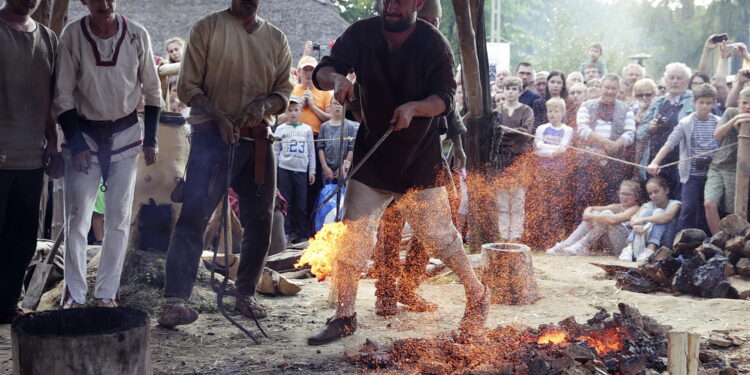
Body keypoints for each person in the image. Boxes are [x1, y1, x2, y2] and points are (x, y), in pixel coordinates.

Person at [308, 0, 489, 345]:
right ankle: (344, 315)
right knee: (353, 238)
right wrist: (336, 79)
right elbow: (324, 69)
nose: (390, 5)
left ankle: (478, 295)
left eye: (400, 0)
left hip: (418, 160)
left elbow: (445, 98)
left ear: (418, 2)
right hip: (372, 158)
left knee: (442, 238)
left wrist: (414, 108)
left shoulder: (433, 43)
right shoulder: (361, 33)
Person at [158, 0, 293, 327]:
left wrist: (262, 106)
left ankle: (244, 293)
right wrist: (218, 116)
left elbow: (283, 92)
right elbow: (189, 87)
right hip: (210, 139)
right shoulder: (207, 28)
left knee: (261, 218)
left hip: (257, 141)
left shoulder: (276, 39)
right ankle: (175, 300)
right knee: (193, 217)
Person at [54, 0, 161, 308]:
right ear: (84, 2)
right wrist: (76, 142)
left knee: (118, 216)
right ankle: (74, 295)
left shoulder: (136, 35)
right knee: (77, 218)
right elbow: (62, 94)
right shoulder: (73, 36)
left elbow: (152, 91)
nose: (104, 3)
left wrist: (151, 140)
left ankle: (106, 294)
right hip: (84, 134)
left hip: (125, 135)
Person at [0, 0, 58, 323]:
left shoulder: (48, 38)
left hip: (32, 157)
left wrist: (53, 141)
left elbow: (52, 97)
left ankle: (6, 305)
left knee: (22, 237)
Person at [646, 84, 719, 234]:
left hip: (712, 174)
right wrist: (655, 162)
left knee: (709, 207)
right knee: (688, 208)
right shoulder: (686, 122)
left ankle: (709, 243)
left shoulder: (719, 121)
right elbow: (670, 143)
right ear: (694, 103)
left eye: (708, 103)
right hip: (691, 174)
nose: (705, 106)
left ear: (714, 103)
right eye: (701, 102)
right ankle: (681, 244)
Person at [573, 74, 636, 218]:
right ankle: (579, 237)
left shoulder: (627, 109)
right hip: (588, 161)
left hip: (614, 164)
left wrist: (615, 146)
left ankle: (605, 238)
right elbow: (582, 129)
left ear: (619, 90)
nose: (609, 91)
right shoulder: (586, 105)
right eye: (607, 87)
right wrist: (605, 144)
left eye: (613, 88)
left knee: (610, 200)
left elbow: (630, 133)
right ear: (601, 88)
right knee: (584, 199)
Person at [637, 62, 695, 198]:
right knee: (656, 203)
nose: (674, 81)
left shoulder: (693, 100)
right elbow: (639, 133)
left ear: (687, 81)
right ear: (665, 80)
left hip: (681, 162)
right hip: (656, 162)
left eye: (679, 78)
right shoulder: (658, 102)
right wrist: (649, 127)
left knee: (679, 203)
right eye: (671, 77)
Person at [490, 77, 534, 242]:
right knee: (502, 202)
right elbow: (494, 133)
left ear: (519, 91)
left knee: (517, 201)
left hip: (519, 159)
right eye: (507, 88)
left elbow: (526, 132)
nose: (510, 91)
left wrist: (505, 132)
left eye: (514, 89)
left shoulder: (526, 111)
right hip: (501, 160)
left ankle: (515, 236)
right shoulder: (497, 111)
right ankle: (503, 235)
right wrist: (507, 133)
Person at [546, 180, 640, 257]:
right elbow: (591, 208)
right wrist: (588, 215)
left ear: (636, 196)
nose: (624, 197)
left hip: (624, 248)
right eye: (622, 194)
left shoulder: (636, 209)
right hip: (610, 245)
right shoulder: (618, 206)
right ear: (618, 193)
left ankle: (583, 245)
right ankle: (565, 245)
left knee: (605, 215)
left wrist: (592, 217)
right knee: (598, 214)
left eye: (628, 195)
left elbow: (613, 220)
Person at [527, 98, 574, 248]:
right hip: (542, 170)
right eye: (550, 111)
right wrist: (551, 151)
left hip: (558, 172)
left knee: (555, 204)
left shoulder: (567, 130)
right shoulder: (541, 128)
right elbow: (537, 148)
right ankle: (540, 238)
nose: (552, 114)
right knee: (541, 202)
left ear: (563, 112)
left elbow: (563, 149)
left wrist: (546, 149)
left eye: (556, 111)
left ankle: (553, 238)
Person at [704, 87, 750, 234]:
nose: (747, 107)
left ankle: (735, 243)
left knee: (733, 211)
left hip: (737, 171)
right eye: (744, 103)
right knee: (709, 204)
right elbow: (717, 134)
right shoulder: (731, 112)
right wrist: (735, 120)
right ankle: (718, 241)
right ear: (738, 103)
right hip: (717, 167)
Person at [274, 97, 315, 243]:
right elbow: (276, 151)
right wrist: (275, 171)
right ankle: (285, 233)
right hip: (284, 169)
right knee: (286, 203)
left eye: (296, 110)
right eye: (290, 110)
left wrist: (312, 171)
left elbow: (311, 151)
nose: (293, 113)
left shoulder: (307, 129)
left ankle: (301, 234)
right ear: (285, 112)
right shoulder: (280, 129)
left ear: (301, 111)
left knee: (301, 204)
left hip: (301, 170)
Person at [619, 177, 681, 261]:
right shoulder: (648, 205)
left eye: (656, 191)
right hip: (645, 244)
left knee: (658, 212)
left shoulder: (675, 204)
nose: (653, 196)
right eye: (650, 193)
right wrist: (636, 225)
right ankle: (629, 248)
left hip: (665, 245)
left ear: (666, 190)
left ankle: (651, 248)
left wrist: (642, 220)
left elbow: (666, 217)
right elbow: (633, 218)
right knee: (645, 212)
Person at [280, 56, 332, 135]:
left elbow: (331, 120)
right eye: (305, 70)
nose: (308, 73)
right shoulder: (290, 92)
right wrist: (300, 106)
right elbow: (280, 120)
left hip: (318, 138)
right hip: (294, 136)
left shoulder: (325, 92)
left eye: (311, 70)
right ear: (299, 72)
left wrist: (313, 106)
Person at [317, 98, 357, 183]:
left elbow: (352, 149)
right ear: (330, 106)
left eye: (341, 103)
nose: (338, 105)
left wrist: (344, 168)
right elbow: (320, 148)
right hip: (327, 170)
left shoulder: (350, 127)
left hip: (344, 169)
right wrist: (325, 167)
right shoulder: (324, 127)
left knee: (343, 194)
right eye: (335, 103)